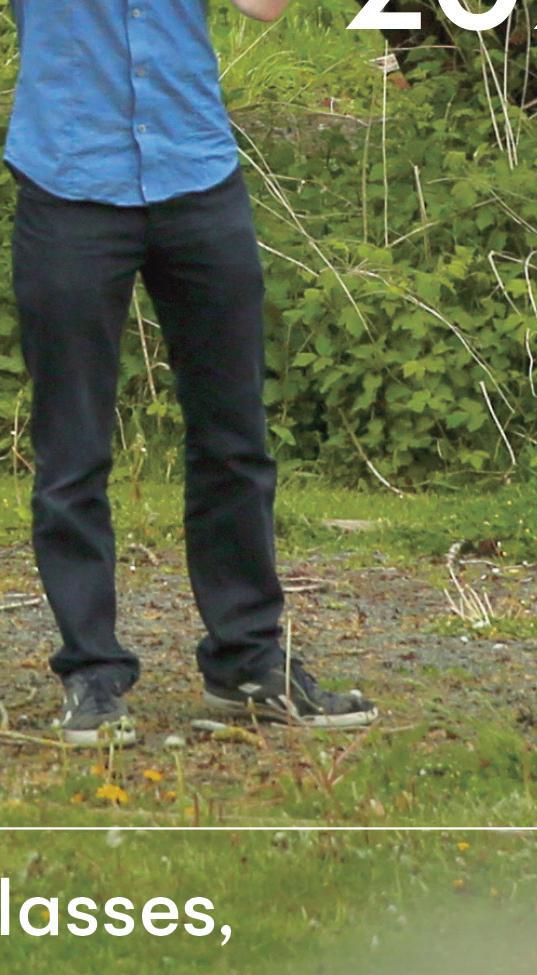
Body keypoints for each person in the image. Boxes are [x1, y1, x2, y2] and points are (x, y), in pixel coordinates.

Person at [4, 0, 377, 746]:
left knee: (234, 438)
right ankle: (91, 675)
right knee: (73, 451)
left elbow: (264, 7)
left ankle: (248, 666)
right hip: (70, 181)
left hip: (196, 175)